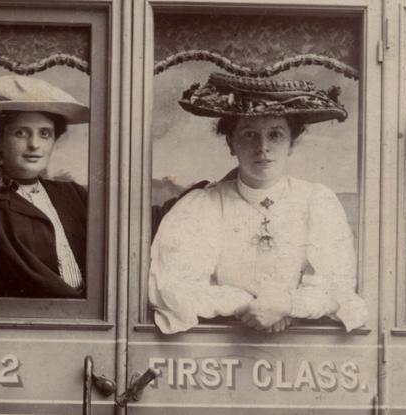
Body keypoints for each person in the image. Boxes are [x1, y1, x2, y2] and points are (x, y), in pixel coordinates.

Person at [149, 73, 368, 334]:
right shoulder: (203, 205)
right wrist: (244, 305)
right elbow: (173, 287)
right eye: (250, 134)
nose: (263, 147)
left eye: (275, 135)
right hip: (218, 352)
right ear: (231, 143)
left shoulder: (317, 202)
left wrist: (287, 305)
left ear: (291, 144)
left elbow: (338, 285)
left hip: (305, 354)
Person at [0, 75, 90, 317]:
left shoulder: (73, 195)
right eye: (21, 133)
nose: (34, 145)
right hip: (26, 331)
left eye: (45, 134)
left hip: (89, 326)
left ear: (54, 141)